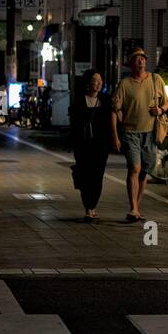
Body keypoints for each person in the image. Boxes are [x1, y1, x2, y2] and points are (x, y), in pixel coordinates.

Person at [110, 48, 168, 223]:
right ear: (130, 63)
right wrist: (115, 135)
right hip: (130, 133)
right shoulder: (124, 84)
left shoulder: (155, 79)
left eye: (143, 58)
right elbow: (114, 110)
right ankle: (133, 208)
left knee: (145, 170)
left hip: (151, 132)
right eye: (137, 59)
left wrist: (160, 109)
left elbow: (166, 102)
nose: (141, 62)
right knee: (134, 168)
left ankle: (137, 205)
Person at [69, 69, 111, 222]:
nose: (98, 84)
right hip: (83, 145)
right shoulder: (79, 101)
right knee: (85, 176)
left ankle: (93, 206)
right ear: (88, 83)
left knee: (97, 176)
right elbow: (74, 124)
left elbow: (109, 123)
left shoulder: (105, 101)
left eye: (100, 81)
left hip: (100, 145)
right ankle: (88, 207)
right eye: (95, 80)